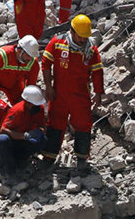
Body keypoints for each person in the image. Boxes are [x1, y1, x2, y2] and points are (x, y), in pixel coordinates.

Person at [41, 14, 104, 164]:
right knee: (55, 123)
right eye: (80, 37)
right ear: (72, 31)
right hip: (59, 94)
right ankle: (49, 157)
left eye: (85, 37)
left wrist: (98, 92)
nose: (82, 40)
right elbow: (45, 64)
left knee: (83, 124)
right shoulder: (57, 43)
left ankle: (82, 159)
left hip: (81, 95)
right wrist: (48, 87)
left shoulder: (91, 50)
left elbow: (97, 72)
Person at [0, 85, 48, 177]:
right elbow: (3, 130)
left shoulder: (39, 109)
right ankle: (8, 167)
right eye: (35, 105)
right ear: (27, 103)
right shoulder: (16, 111)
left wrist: (40, 131)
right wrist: (24, 136)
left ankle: (21, 160)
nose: (37, 107)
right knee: (2, 140)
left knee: (43, 140)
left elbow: (41, 124)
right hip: (11, 141)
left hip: (24, 142)